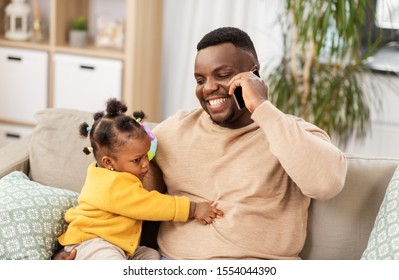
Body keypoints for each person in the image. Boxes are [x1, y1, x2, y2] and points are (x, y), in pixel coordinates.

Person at [56, 26, 347, 260]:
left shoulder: (290, 132)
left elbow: (327, 184)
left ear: (254, 73)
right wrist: (76, 250)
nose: (208, 88)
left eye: (223, 75)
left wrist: (262, 108)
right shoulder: (174, 130)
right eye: (200, 79)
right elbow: (114, 194)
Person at [57, 98, 224, 260]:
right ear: (109, 162)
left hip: (119, 245)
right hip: (92, 242)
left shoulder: (109, 174)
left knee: (151, 255)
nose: (146, 164)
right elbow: (150, 205)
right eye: (137, 160)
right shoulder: (112, 184)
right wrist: (192, 208)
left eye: (146, 155)